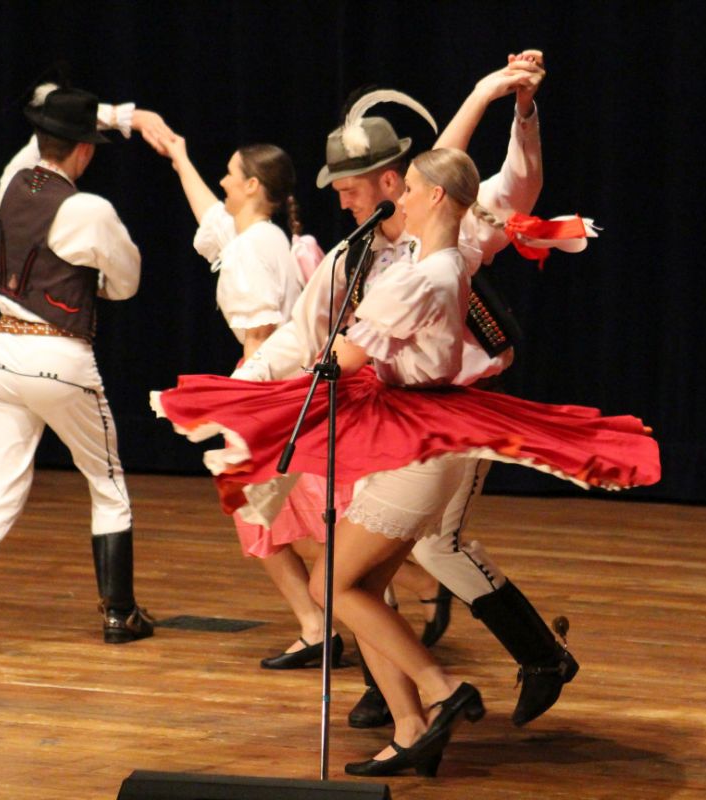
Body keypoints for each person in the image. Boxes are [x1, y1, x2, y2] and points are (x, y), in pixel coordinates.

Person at [152, 147, 659, 775]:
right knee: (362, 587)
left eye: (411, 187)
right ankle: (412, 726)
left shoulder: (427, 275)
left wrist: (287, 379)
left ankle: (444, 689)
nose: (401, 198)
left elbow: (345, 355)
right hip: (413, 433)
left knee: (332, 584)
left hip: (417, 442)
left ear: (434, 197)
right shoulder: (431, 260)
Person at [237, 51, 596, 730]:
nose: (340, 199)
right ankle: (398, 689)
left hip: (448, 418)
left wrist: (511, 105)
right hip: (386, 421)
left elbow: (513, 187)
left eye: (350, 186)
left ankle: (527, 659)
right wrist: (239, 395)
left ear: (392, 182)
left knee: (428, 547)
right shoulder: (353, 256)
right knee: (361, 556)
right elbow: (299, 334)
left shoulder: (449, 235)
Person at [0, 84, 173, 654]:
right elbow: (127, 282)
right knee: (106, 482)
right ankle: (119, 613)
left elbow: (31, 151)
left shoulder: (12, 182)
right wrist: (90, 282)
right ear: (84, 150)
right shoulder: (88, 209)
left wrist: (110, 116)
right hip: (60, 357)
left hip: (2, 354)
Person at [159, 129, 351, 668]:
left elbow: (263, 334)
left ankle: (373, 600)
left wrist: (243, 404)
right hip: (276, 385)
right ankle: (320, 623)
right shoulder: (259, 237)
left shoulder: (250, 249)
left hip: (267, 388)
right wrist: (179, 156)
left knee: (291, 514)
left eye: (228, 173)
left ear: (250, 186)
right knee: (268, 513)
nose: (221, 181)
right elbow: (211, 220)